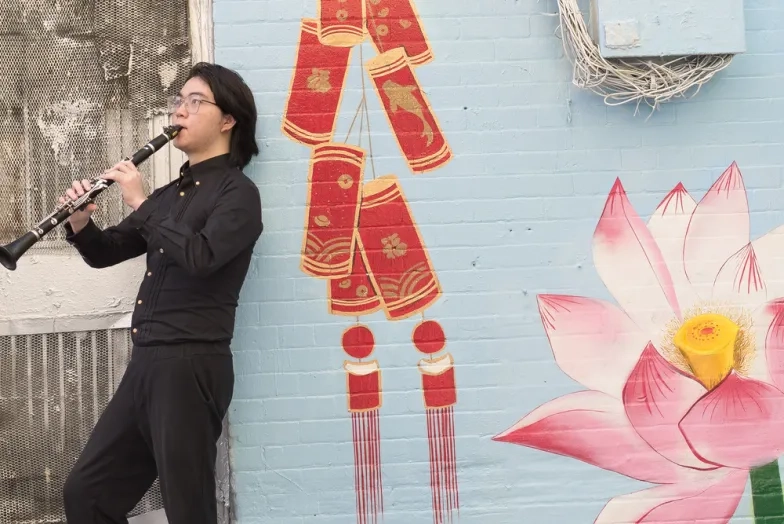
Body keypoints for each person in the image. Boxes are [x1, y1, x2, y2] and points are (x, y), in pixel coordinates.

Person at [60, 62, 262, 524]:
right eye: (178, 101)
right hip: (147, 362)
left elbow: (202, 258)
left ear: (228, 120)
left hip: (191, 365)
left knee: (187, 508)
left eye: (196, 101)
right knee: (86, 495)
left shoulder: (238, 194)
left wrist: (140, 200)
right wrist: (79, 221)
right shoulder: (171, 196)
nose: (179, 111)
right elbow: (107, 251)